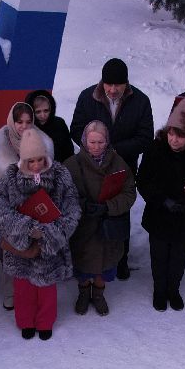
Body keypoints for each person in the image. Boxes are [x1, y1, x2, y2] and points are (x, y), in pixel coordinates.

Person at [0, 129, 80, 340]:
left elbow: (72, 210)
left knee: (47, 290)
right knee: (23, 289)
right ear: (23, 160)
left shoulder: (59, 176)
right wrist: (27, 227)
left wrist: (50, 233)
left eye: (40, 159)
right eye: (31, 161)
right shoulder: (11, 177)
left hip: (49, 247)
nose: (36, 165)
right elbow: (0, 212)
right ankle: (25, 322)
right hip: (22, 247)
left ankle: (45, 322)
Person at [69, 58, 153, 281]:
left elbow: (145, 137)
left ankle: (120, 260)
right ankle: (88, 262)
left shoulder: (141, 101)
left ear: (126, 83)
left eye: (118, 85)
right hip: (91, 168)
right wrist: (94, 146)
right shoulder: (88, 97)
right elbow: (76, 128)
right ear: (102, 82)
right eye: (109, 85)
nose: (113, 90)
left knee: (119, 213)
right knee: (91, 217)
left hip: (121, 168)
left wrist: (114, 150)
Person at [137, 101, 185, 312]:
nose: (174, 139)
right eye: (171, 133)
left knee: (179, 256)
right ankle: (159, 290)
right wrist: (161, 200)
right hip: (159, 213)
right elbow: (142, 180)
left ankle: (173, 289)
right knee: (159, 255)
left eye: (180, 136)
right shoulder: (155, 148)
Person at [65, 120, 136, 317]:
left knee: (104, 266)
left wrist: (108, 207)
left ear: (107, 142)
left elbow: (129, 192)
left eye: (101, 142)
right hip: (83, 227)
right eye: (92, 142)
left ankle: (98, 294)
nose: (96, 147)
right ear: (84, 141)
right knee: (83, 264)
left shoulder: (119, 163)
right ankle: (83, 292)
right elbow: (62, 195)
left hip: (108, 226)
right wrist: (83, 205)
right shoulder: (71, 165)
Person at [0, 102, 38, 311]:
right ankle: (8, 292)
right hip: (6, 211)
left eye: (28, 122)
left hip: (32, 210)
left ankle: (29, 289)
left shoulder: (39, 141)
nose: (24, 126)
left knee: (31, 250)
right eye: (19, 121)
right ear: (11, 122)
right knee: (8, 252)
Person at [27, 89, 74, 162]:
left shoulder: (59, 124)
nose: (43, 115)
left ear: (51, 109)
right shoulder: (27, 127)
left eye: (46, 110)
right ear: (31, 111)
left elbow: (69, 152)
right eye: (38, 112)